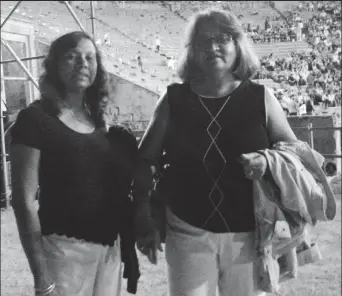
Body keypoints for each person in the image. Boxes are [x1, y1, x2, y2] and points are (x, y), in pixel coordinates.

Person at [134, 9, 297, 296]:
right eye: (202, 41)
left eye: (222, 38)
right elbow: (144, 160)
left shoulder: (261, 97)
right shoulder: (173, 99)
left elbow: (294, 152)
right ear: (192, 51)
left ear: (237, 45)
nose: (212, 48)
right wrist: (143, 215)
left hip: (250, 231)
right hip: (186, 228)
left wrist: (268, 160)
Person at [10, 31, 139, 296]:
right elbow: (23, 202)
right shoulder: (35, 119)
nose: (82, 64)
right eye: (72, 57)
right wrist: (41, 275)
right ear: (55, 65)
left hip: (109, 250)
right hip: (63, 250)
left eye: (90, 58)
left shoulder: (98, 122)